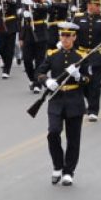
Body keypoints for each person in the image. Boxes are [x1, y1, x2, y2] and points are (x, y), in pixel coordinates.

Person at [36, 22, 90, 186]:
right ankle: (58, 165)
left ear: (74, 37)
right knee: (53, 133)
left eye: (68, 35)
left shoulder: (82, 56)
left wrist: (79, 76)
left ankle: (68, 171)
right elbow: (39, 72)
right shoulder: (52, 54)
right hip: (56, 99)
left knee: (73, 139)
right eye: (62, 35)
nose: (65, 38)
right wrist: (47, 81)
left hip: (74, 99)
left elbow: (89, 80)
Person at [74, 0, 101, 121]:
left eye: (97, 5)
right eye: (93, 5)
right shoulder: (79, 18)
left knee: (95, 84)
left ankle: (93, 110)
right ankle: (89, 100)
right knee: (83, 83)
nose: (96, 7)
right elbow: (72, 35)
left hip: (97, 54)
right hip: (82, 55)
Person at [19, 0, 50, 93]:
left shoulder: (45, 1)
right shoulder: (25, 3)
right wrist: (21, 37)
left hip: (41, 34)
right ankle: (33, 79)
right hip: (28, 35)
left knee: (39, 61)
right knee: (27, 60)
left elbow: (45, 8)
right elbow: (23, 22)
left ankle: (37, 84)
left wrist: (33, 6)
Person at [0, 0, 19, 79]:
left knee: (9, 49)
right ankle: (6, 62)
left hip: (11, 25)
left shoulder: (14, 0)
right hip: (2, 25)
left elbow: (14, 4)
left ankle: (6, 70)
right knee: (1, 48)